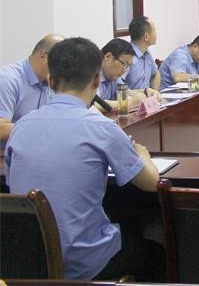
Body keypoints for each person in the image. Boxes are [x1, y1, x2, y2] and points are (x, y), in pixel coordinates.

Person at [5, 37, 163, 281]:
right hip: (84, 261)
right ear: (96, 80)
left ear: (50, 81)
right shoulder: (102, 128)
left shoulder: (20, 128)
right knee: (156, 254)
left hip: (29, 260)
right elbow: (152, 183)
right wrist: (142, 155)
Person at [0, 33, 64, 142]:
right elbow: (1, 129)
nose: (63, 68)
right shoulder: (8, 79)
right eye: (61, 62)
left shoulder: (51, 80)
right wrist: (37, 126)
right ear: (43, 56)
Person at [95, 39, 151, 112]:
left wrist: (146, 92)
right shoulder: (91, 73)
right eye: (123, 64)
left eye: (127, 66)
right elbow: (93, 104)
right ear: (108, 57)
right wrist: (128, 103)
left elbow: (127, 93)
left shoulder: (113, 76)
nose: (124, 70)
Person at [124, 16, 160, 91]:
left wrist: (154, 93)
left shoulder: (146, 53)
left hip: (147, 97)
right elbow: (119, 86)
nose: (156, 34)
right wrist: (143, 93)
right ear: (146, 36)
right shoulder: (127, 56)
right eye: (154, 31)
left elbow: (156, 74)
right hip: (132, 97)